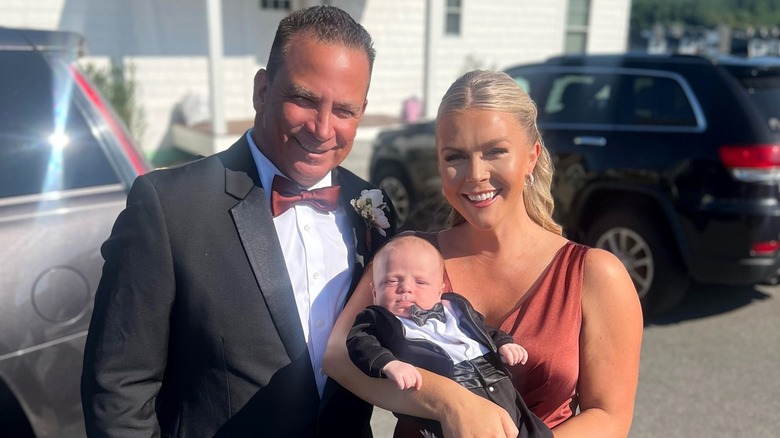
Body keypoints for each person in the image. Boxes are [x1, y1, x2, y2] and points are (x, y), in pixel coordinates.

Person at [81, 6, 396, 437]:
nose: (323, 128)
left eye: (344, 109)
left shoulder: (373, 207)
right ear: (262, 90)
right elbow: (118, 388)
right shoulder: (169, 207)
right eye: (303, 99)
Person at [324, 70, 643, 438]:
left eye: (495, 151)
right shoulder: (411, 256)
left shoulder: (594, 274)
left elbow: (609, 416)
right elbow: (339, 355)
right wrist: (447, 400)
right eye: (455, 156)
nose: (475, 174)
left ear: (531, 157)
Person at [347, 235, 551, 438]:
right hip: (455, 384)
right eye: (392, 281)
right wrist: (389, 364)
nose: (405, 288)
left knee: (526, 426)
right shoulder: (379, 319)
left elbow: (484, 330)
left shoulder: (455, 308)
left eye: (420, 282)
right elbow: (359, 341)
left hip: (494, 374)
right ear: (374, 291)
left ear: (439, 291)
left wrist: (504, 343)